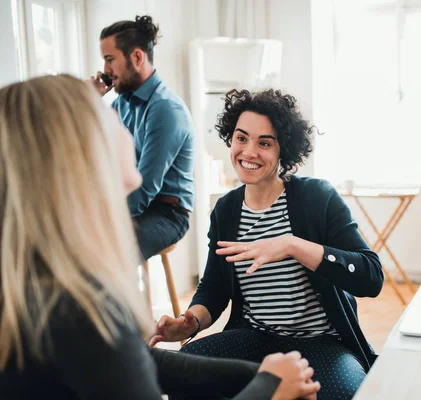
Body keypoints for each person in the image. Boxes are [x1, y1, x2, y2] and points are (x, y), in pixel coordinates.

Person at [0, 75, 320, 400]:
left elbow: (137, 363)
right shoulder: (84, 306)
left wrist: (260, 377)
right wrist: (270, 389)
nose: (130, 131)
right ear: (83, 156)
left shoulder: (47, 285)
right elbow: (213, 288)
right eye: (110, 118)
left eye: (265, 142)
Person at [150, 88, 384, 400]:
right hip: (253, 337)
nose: (248, 152)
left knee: (342, 393)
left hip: (321, 342)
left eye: (264, 143)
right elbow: (215, 287)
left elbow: (371, 276)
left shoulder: (317, 198)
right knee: (184, 375)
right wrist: (190, 321)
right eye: (241, 138)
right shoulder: (227, 209)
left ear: (282, 150)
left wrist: (293, 245)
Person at [89, 15, 194, 261]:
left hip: (167, 212)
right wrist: (91, 103)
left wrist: (103, 217)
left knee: (105, 253)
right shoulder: (120, 103)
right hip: (133, 203)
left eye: (109, 59)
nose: (105, 70)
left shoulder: (166, 110)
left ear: (136, 57)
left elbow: (145, 187)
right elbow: (93, 152)